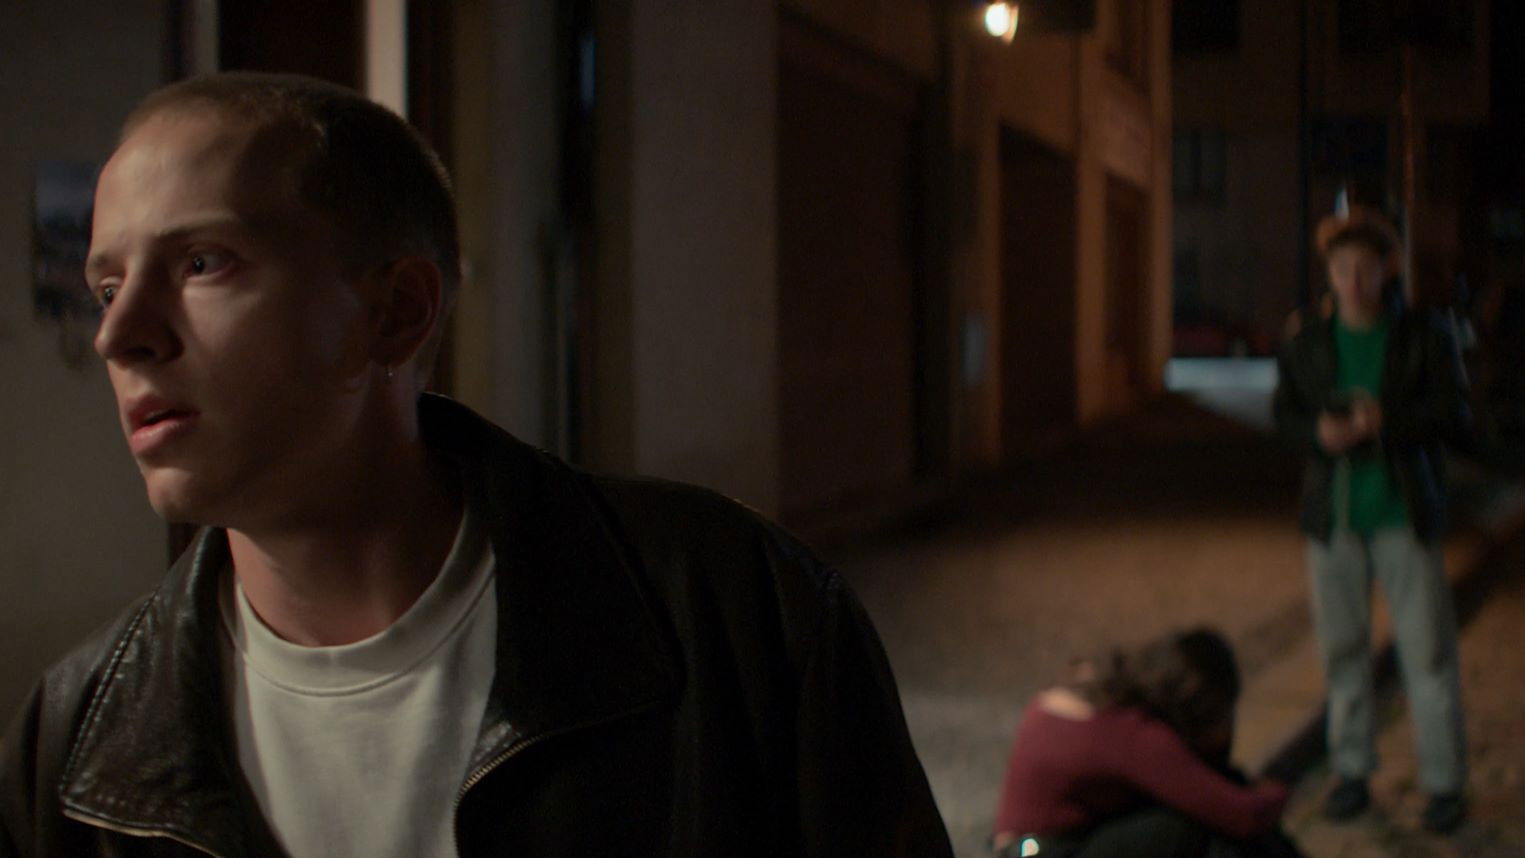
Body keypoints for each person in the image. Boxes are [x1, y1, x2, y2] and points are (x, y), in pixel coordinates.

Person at [0, 72, 953, 857]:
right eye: (107, 287)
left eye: (203, 263)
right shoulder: (79, 738)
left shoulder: (733, 615)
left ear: (396, 314)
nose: (119, 336)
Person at [1273, 205, 1470, 834]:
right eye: (1342, 268)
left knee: (1428, 653)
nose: (1354, 281)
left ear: (1388, 269)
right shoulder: (1308, 339)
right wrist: (1317, 433)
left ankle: (1444, 782)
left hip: (1402, 514)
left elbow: (1454, 415)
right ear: (1328, 272)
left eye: (1365, 267)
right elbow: (1283, 417)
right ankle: (1351, 771)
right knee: (1343, 653)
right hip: (1333, 519)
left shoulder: (1422, 334)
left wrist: (1391, 423)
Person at [991, 628, 1301, 858]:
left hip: (1026, 846)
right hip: (1045, 852)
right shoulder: (1136, 735)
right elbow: (1243, 815)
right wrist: (1278, 786)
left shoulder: (1100, 685)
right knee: (1195, 825)